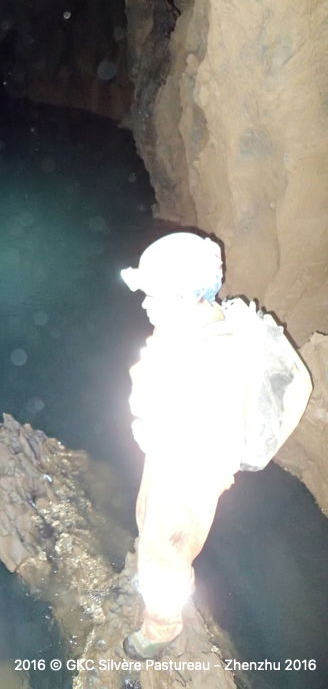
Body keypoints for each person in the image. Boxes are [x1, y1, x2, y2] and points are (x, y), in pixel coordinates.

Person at [120, 231, 249, 659]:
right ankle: (160, 575)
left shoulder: (211, 355)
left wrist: (155, 430)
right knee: (151, 526)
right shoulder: (187, 324)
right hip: (169, 456)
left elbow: (200, 432)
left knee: (166, 549)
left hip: (187, 469)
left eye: (153, 294)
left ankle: (161, 629)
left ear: (184, 295)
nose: (145, 304)